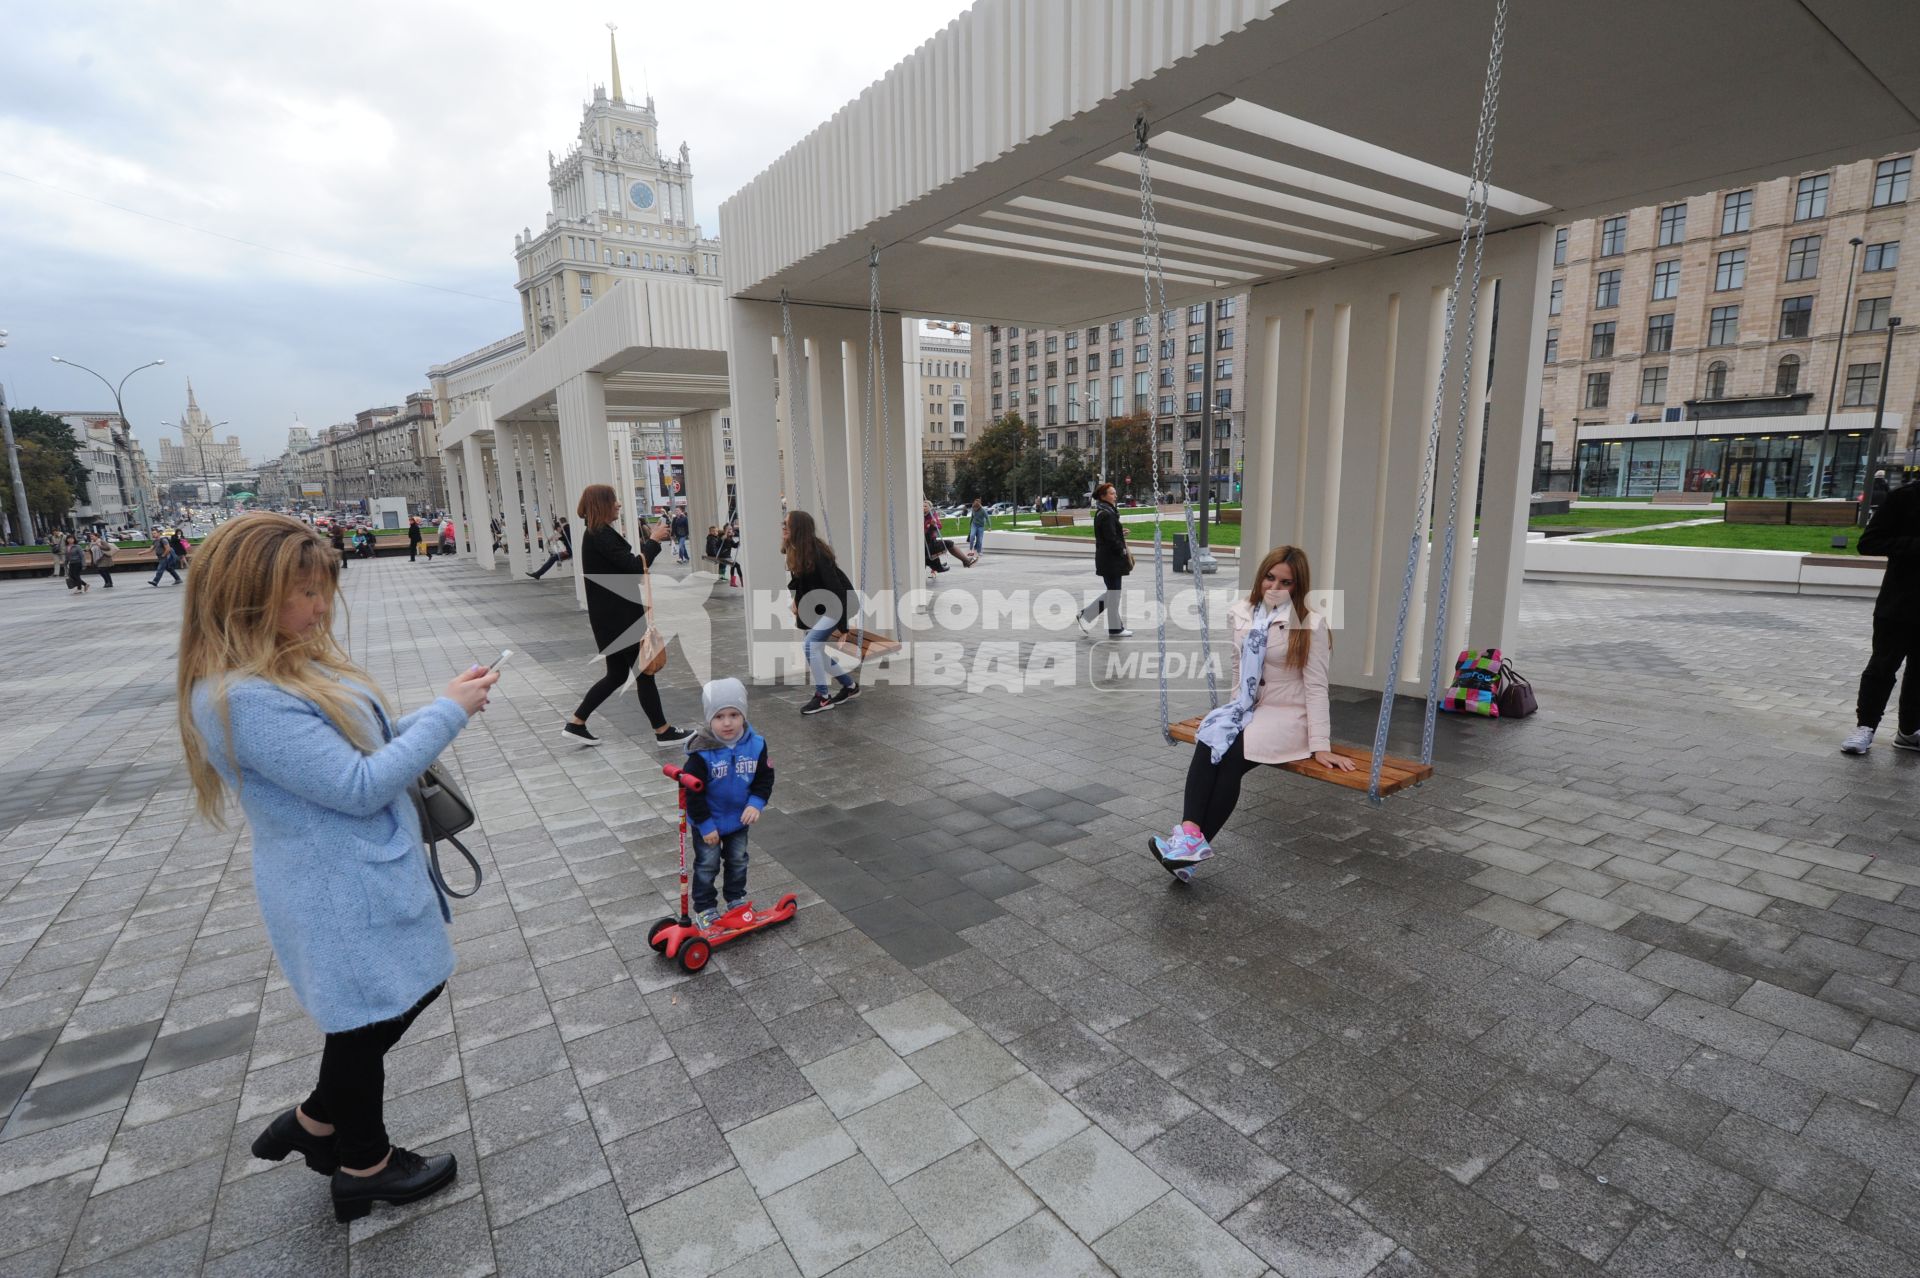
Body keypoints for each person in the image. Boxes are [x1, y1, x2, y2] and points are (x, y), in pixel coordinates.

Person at [178, 514, 498, 1222]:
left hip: (357, 877)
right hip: (335, 889)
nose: (320, 608)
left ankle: (318, 1124)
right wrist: (449, 714)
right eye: (304, 593)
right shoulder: (242, 697)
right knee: (366, 1022)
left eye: (322, 590)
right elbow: (358, 786)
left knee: (378, 1012)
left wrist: (443, 705)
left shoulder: (288, 663)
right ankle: (364, 1164)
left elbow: (366, 747)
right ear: (246, 596)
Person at [1150, 546, 1355, 880]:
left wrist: (1321, 745)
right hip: (1251, 707)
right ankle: (1188, 840)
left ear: (1298, 586)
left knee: (1231, 757)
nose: (1274, 587)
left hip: (1289, 714)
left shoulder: (1309, 624)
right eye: (1269, 577)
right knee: (1211, 737)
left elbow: (1317, 687)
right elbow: (1237, 667)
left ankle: (1188, 851)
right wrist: (1232, 711)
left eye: (1285, 582)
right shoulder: (1243, 613)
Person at [563, 483, 693, 748]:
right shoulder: (600, 534)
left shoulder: (596, 533)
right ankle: (663, 731)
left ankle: (576, 722)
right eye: (614, 501)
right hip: (619, 618)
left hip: (610, 618)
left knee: (617, 675)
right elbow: (635, 568)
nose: (619, 505)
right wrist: (654, 540)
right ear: (602, 504)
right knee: (644, 673)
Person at [680, 678, 775, 927]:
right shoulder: (701, 753)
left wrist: (755, 803)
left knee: (738, 860)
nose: (727, 722)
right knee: (707, 864)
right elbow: (692, 794)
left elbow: (765, 778)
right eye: (719, 716)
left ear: (743, 715)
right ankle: (705, 907)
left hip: (739, 818)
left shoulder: (756, 745)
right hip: (708, 823)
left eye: (734, 714)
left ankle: (735, 898)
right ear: (709, 719)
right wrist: (705, 825)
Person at [1842, 474, 1920, 754]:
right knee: (1882, 667)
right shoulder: (1903, 498)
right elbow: (1869, 543)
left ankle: (1909, 731)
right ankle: (1865, 727)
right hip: (1899, 602)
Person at [784, 509, 860, 715]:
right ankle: (850, 686)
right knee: (816, 649)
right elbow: (800, 581)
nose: (783, 528)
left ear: (797, 529)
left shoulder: (817, 552)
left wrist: (843, 626)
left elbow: (836, 590)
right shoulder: (798, 550)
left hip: (840, 603)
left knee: (810, 645)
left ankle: (823, 697)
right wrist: (796, 600)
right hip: (823, 606)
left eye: (787, 525)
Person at [1078, 482, 1133, 638]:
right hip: (1111, 560)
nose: (1115, 496)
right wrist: (1122, 550)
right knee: (1113, 594)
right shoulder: (1107, 513)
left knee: (1112, 594)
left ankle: (1106, 625)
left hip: (1108, 559)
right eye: (1111, 493)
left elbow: (1108, 534)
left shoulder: (1105, 512)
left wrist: (1120, 533)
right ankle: (1112, 628)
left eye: (1115, 493)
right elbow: (1110, 539)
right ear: (1103, 496)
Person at [922, 501, 977, 570]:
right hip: (927, 543)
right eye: (922, 506)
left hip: (931, 542)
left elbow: (939, 526)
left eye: (925, 506)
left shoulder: (932, 515)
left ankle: (966, 561)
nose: (923, 508)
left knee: (947, 544)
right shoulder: (921, 517)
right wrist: (930, 526)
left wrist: (933, 525)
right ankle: (966, 561)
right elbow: (924, 530)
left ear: (930, 508)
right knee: (949, 543)